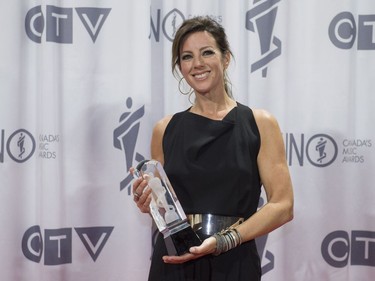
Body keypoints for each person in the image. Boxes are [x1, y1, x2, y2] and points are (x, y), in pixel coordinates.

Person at [131, 16, 294, 281]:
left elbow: (283, 205)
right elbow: (162, 208)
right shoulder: (165, 129)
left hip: (234, 260)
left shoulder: (259, 123)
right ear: (180, 67)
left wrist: (223, 241)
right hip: (175, 261)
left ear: (226, 58)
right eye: (187, 57)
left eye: (207, 52)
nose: (197, 64)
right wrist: (146, 201)